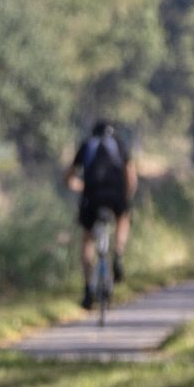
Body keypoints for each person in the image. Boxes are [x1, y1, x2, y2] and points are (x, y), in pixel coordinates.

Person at [63, 118, 136, 316]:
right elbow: (131, 176)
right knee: (123, 218)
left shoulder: (87, 145)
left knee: (87, 238)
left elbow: (68, 177)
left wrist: (80, 187)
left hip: (92, 196)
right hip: (116, 195)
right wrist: (126, 198)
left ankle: (88, 290)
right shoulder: (119, 144)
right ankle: (118, 254)